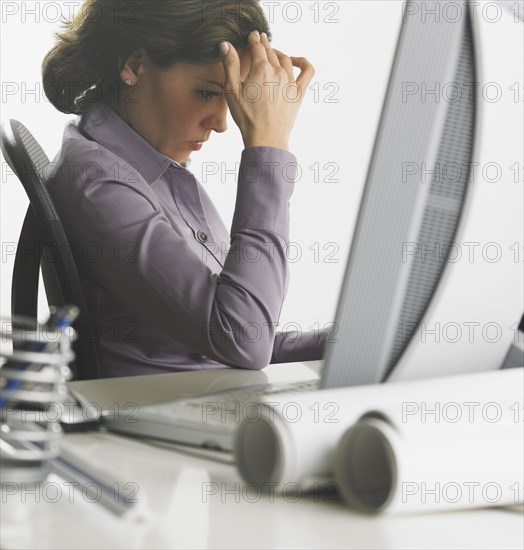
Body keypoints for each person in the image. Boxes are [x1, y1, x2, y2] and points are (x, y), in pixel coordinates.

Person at [41, 0, 329, 378]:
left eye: (230, 98)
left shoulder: (149, 169)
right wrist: (268, 149)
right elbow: (241, 338)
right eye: (208, 93)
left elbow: (240, 329)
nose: (223, 123)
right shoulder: (99, 183)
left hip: (204, 399)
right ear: (134, 65)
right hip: (157, 422)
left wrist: (351, 340)